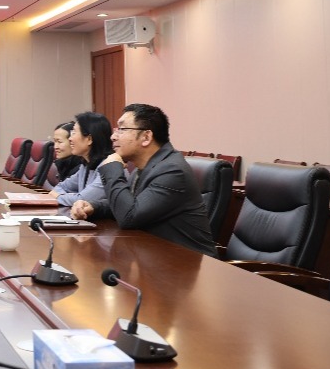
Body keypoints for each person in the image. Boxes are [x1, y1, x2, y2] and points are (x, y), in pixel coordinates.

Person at [70, 103, 215, 256]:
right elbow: (130, 204)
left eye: (122, 129)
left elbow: (129, 216)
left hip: (186, 261)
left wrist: (112, 168)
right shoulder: (147, 166)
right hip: (154, 255)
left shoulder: (172, 171)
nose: (113, 136)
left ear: (146, 137)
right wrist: (94, 207)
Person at [51, 112, 115, 213]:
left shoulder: (109, 167)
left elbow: (81, 199)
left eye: (74, 133)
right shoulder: (86, 165)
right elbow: (62, 186)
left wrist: (57, 196)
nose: (70, 139)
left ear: (89, 139)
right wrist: (67, 196)